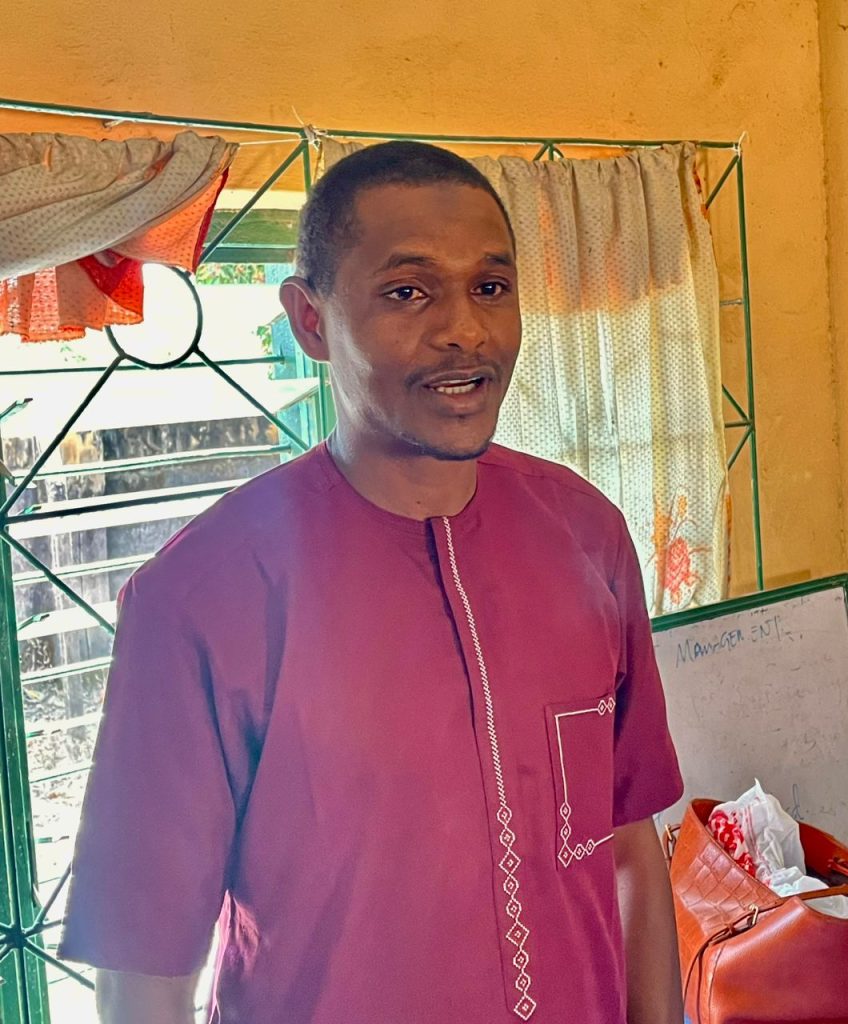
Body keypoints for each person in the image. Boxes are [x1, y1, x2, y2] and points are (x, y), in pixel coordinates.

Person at [59, 141, 685, 1024]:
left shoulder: (587, 535)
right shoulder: (200, 598)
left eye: (491, 287)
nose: (466, 329)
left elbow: (629, 844)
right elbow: (144, 968)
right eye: (407, 292)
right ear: (310, 322)